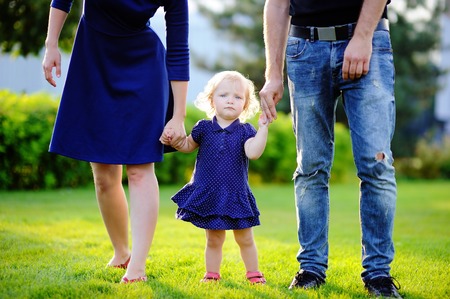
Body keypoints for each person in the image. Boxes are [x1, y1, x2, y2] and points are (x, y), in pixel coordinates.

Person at [259, 0, 402, 297]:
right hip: (304, 49)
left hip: (367, 42)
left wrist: (362, 38)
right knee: (310, 167)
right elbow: (277, 3)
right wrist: (273, 73)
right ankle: (310, 268)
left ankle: (378, 274)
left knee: (376, 164)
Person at [42, 0, 189, 284]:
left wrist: (178, 116)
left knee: (139, 168)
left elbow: (179, 49)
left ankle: (138, 268)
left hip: (144, 67)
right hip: (93, 59)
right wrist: (51, 44)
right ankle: (122, 254)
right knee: (104, 175)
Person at [161, 71, 269, 284]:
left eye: (238, 97)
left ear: (245, 105)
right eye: (224, 95)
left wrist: (263, 129)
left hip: (235, 194)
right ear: (211, 99)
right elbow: (187, 145)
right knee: (214, 238)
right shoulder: (203, 128)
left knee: (245, 238)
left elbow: (253, 152)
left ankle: (253, 273)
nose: (231, 100)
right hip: (210, 193)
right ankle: (211, 274)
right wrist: (174, 140)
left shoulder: (245, 130)